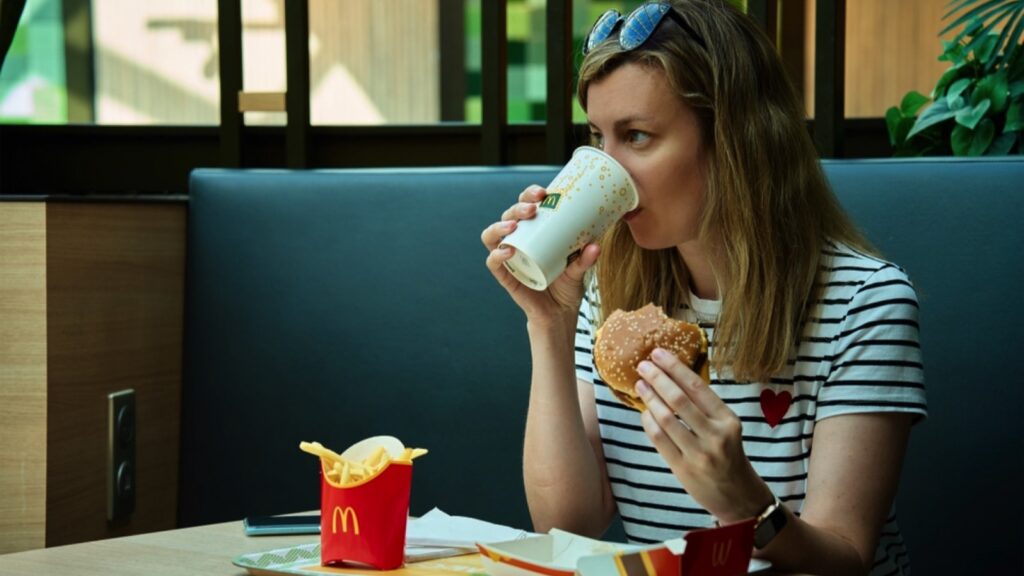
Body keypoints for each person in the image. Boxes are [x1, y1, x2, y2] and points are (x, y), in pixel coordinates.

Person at [480, 1, 927, 575]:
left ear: (735, 143)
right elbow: (567, 521)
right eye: (596, 135)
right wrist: (548, 324)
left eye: (636, 136)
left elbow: (844, 555)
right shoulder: (613, 295)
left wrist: (742, 499)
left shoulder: (865, 303)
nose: (601, 165)